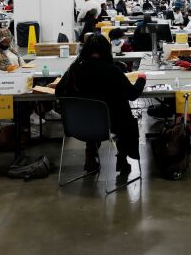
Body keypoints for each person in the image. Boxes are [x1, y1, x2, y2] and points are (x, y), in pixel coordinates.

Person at [56, 34, 146, 173]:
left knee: (91, 112)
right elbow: (133, 94)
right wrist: (141, 80)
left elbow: (58, 92)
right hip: (110, 125)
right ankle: (122, 158)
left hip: (78, 124)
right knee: (123, 114)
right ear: (106, 50)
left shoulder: (74, 70)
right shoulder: (112, 70)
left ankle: (91, 154)